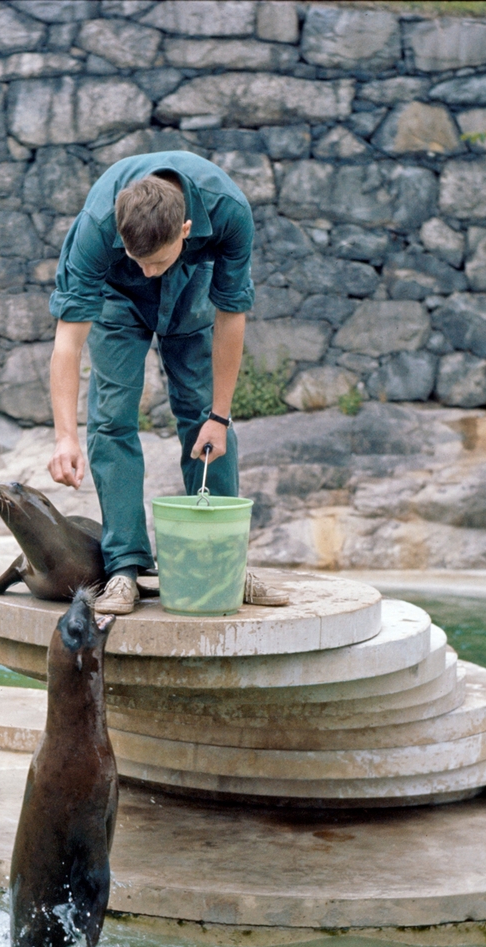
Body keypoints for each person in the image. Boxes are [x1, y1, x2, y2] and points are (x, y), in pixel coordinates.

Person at [46, 150, 289, 615]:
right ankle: (125, 570)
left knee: (202, 414)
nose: (147, 271)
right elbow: (67, 342)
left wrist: (220, 415)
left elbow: (231, 316)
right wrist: (64, 437)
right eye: (139, 259)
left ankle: (227, 566)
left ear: (185, 230)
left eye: (154, 261)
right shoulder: (97, 228)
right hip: (116, 299)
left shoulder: (228, 211)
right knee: (111, 418)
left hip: (192, 284)